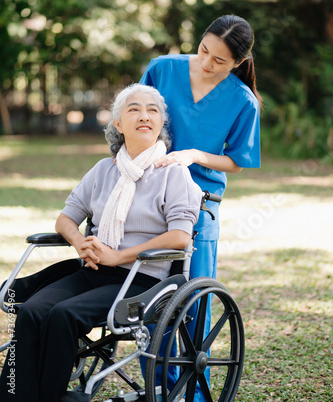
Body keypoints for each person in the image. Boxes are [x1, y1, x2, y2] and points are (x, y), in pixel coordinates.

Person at [0, 84, 202, 402]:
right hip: (93, 270)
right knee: (33, 310)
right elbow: (65, 219)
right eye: (133, 109)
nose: (144, 115)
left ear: (162, 122)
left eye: (152, 110)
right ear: (118, 124)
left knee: (63, 314)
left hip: (143, 280)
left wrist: (118, 256)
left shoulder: (173, 174)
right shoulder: (104, 170)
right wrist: (80, 242)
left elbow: (180, 236)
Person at [140, 14, 261, 399]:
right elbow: (134, 119)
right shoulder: (162, 69)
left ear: (239, 63)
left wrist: (194, 154)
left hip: (201, 205)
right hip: (149, 198)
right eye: (204, 50)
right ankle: (157, 388)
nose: (207, 63)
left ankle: (192, 392)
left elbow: (237, 160)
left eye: (220, 60)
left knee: (194, 300)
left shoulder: (243, 101)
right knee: (149, 296)